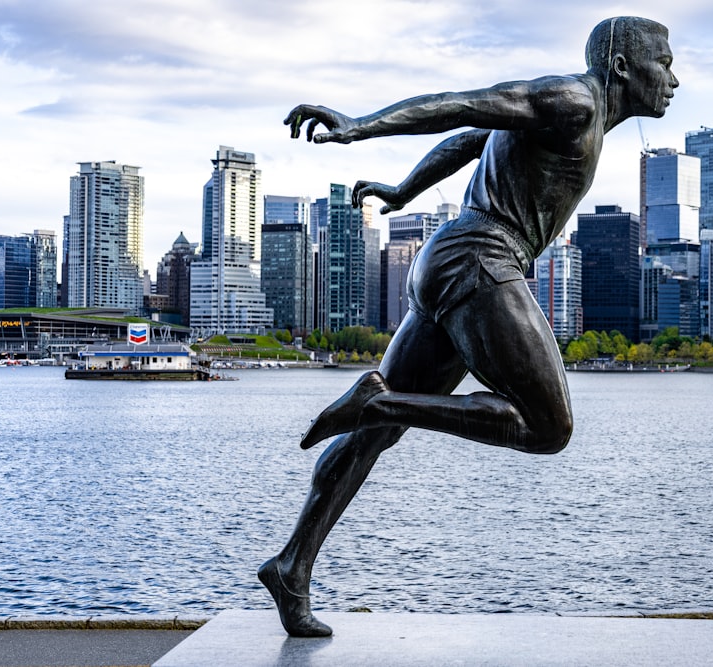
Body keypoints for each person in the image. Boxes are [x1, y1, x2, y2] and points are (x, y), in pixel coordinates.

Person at [259, 16, 678, 637]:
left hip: (451, 260)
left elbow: (471, 140)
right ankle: (380, 402)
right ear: (623, 65)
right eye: (663, 62)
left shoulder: (575, 118)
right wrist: (359, 128)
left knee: (371, 443)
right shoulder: (575, 100)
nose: (673, 77)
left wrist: (404, 191)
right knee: (547, 428)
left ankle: (292, 568)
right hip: (482, 258)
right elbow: (460, 106)